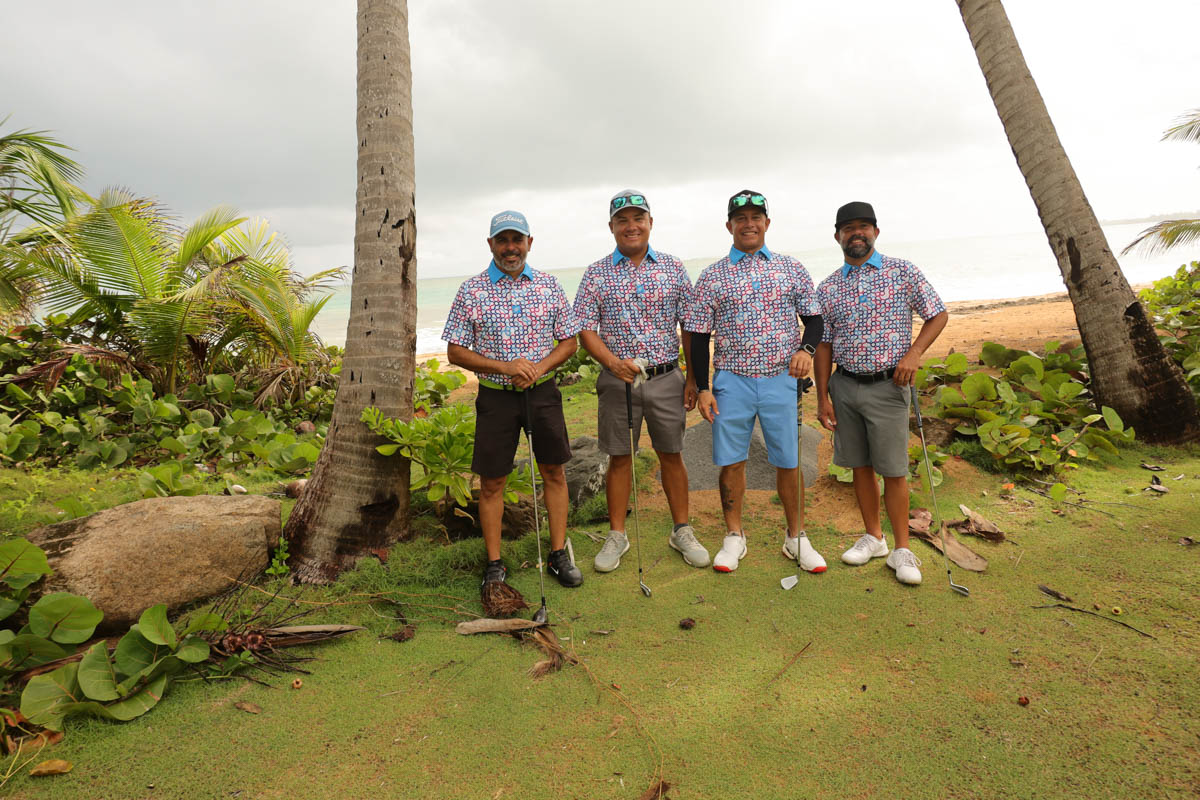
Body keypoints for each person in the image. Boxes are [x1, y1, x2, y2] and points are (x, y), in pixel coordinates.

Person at [685, 190, 827, 574]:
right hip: (732, 381)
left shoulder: (790, 268)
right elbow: (698, 336)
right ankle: (734, 535)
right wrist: (703, 388)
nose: (749, 224)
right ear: (729, 225)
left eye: (756, 217)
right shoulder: (713, 275)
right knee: (732, 460)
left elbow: (814, 320)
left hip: (782, 379)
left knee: (788, 459)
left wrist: (806, 350)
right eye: (741, 218)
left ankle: (796, 537)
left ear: (767, 223)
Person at [442, 210, 584, 591]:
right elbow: (456, 351)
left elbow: (569, 342)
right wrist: (505, 367)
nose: (510, 248)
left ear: (529, 243)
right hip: (496, 397)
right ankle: (494, 564)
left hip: (543, 393)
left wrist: (538, 368)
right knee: (492, 482)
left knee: (554, 472)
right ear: (490, 244)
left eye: (517, 240)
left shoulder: (549, 286)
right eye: (502, 240)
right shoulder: (471, 290)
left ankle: (558, 555)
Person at [814, 201, 948, 585]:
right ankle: (874, 537)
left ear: (875, 232)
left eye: (863, 227)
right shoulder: (828, 287)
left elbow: (937, 313)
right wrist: (822, 397)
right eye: (848, 228)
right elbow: (823, 345)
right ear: (837, 236)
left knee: (893, 470)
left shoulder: (901, 271)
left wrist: (915, 353)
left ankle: (902, 549)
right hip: (845, 386)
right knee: (859, 465)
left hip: (889, 386)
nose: (856, 233)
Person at [574, 190, 707, 573]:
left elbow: (690, 325)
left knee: (672, 454)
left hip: (666, 378)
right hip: (617, 381)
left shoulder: (672, 267)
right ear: (612, 226)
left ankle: (681, 530)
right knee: (619, 457)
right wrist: (612, 363)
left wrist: (693, 379)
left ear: (650, 223)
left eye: (638, 219)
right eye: (623, 220)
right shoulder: (597, 273)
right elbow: (585, 328)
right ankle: (617, 534)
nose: (631, 226)